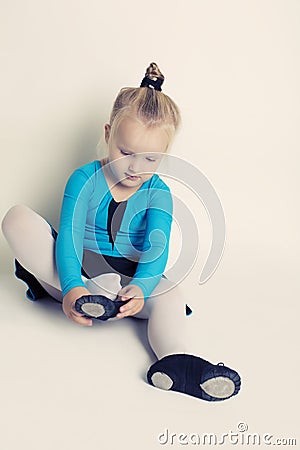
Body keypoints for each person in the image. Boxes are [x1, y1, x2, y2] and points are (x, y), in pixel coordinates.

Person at [1, 62, 241, 402]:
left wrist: (142, 288)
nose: (134, 168)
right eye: (125, 152)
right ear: (107, 134)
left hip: (124, 289)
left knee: (172, 295)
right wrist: (70, 287)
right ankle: (75, 292)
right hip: (77, 277)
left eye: (150, 159)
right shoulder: (84, 179)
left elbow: (156, 249)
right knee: (17, 218)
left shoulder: (159, 193)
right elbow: (67, 238)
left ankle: (175, 361)